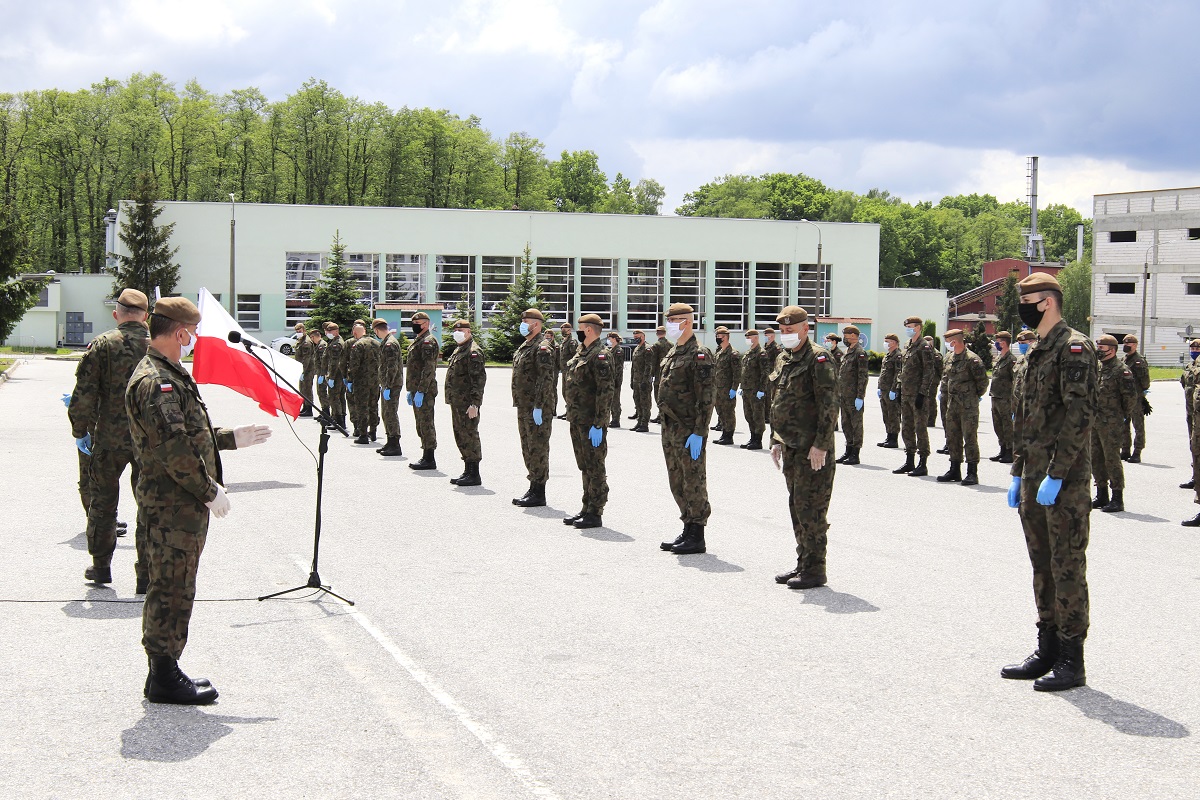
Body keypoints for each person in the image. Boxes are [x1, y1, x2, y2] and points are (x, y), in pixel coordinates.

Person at [126, 295, 271, 704]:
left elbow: (188, 435)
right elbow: (173, 448)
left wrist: (230, 439)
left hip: (177, 502)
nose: (194, 340)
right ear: (180, 332)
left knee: (177, 584)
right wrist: (210, 491)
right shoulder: (158, 381)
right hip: (173, 504)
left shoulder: (167, 373)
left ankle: (167, 668)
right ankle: (163, 675)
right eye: (192, 333)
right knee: (170, 587)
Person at [1003, 272, 1096, 692]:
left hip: (1064, 480)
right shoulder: (1035, 351)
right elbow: (1026, 421)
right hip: (1033, 477)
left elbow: (1080, 416)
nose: (1022, 306)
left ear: (1048, 302)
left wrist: (1057, 474)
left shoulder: (1073, 347)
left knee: (1067, 566)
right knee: (1041, 564)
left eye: (1029, 300)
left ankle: (1072, 660)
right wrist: (1018, 472)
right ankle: (1048, 648)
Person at [68, 288, 150, 588]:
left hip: (108, 439)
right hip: (150, 441)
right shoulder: (158, 345)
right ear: (146, 316)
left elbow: (83, 395)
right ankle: (146, 574)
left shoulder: (103, 344)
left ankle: (101, 567)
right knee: (149, 506)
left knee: (103, 504)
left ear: (117, 315)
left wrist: (80, 431)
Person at [770, 306, 837, 590]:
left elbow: (829, 405)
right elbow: (778, 400)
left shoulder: (818, 358)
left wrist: (821, 444)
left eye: (791, 330)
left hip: (811, 449)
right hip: (791, 447)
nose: (786, 335)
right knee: (797, 506)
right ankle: (803, 562)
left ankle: (815, 569)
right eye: (782, 331)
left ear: (805, 329)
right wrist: (775, 439)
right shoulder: (784, 357)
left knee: (812, 509)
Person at [656, 303, 715, 555]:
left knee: (693, 480)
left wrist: (700, 431)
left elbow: (706, 397)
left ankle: (697, 534)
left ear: (687, 322)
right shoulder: (673, 352)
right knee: (676, 479)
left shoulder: (699, 354)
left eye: (674, 320)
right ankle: (687, 526)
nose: (669, 324)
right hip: (670, 427)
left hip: (689, 429)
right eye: (668, 320)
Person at [562, 314, 615, 528]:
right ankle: (586, 507)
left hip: (591, 421)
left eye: (581, 328)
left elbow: (605, 391)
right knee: (584, 466)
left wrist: (599, 423)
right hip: (577, 418)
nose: (578, 331)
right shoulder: (581, 353)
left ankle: (596, 511)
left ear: (590, 330)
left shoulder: (600, 355)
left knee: (595, 466)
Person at [511, 309, 557, 507]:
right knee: (528, 447)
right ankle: (532, 486)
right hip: (524, 405)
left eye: (526, 321)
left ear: (536, 325)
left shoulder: (543, 347)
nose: (523, 324)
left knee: (537, 447)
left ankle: (539, 492)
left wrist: (539, 405)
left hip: (537, 407)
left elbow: (545, 379)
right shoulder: (526, 345)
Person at [1091, 335, 1138, 513]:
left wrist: (1121, 416)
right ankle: (1101, 493)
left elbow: (1130, 398)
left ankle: (1117, 497)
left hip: (1112, 422)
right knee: (1096, 457)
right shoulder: (1098, 368)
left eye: (1102, 348)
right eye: (1098, 347)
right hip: (1095, 420)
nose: (1099, 351)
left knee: (1112, 458)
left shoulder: (1121, 370)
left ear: (1112, 349)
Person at [935, 329, 989, 486]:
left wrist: (972, 396)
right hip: (952, 405)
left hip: (968, 406)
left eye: (949, 341)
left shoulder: (972, 360)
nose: (947, 344)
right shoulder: (949, 358)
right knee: (953, 436)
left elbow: (983, 383)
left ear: (955, 341)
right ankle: (954, 468)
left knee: (969, 438)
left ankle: (972, 472)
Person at [444, 319, 486, 486]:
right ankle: (467, 469)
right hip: (457, 401)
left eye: (461, 331)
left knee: (470, 435)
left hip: (467, 403)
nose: (457, 333)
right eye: (456, 330)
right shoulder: (460, 349)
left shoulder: (473, 351)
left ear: (468, 332)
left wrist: (475, 403)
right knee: (460, 435)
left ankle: (474, 473)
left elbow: (478, 380)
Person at [894, 316, 937, 476]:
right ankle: (909, 460)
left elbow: (929, 371)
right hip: (906, 393)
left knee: (920, 428)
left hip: (918, 395)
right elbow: (902, 370)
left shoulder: (924, 347)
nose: (908, 329)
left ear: (918, 327)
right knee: (906, 427)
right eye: (907, 326)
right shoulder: (907, 345)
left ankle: (922, 462)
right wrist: (898, 387)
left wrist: (922, 393)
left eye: (911, 326)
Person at [406, 312, 440, 470]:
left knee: (426, 423)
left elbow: (428, 368)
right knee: (420, 423)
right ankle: (425, 455)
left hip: (424, 390)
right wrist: (410, 390)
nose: (414, 325)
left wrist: (421, 390)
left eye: (417, 322)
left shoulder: (428, 341)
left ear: (425, 324)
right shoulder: (419, 340)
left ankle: (429, 458)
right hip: (416, 389)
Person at [835, 324, 869, 464]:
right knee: (846, 423)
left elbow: (863, 376)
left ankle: (855, 453)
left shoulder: (859, 353)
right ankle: (848, 450)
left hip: (854, 396)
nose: (845, 339)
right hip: (844, 395)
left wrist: (860, 396)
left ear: (854, 336)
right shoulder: (848, 351)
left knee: (856, 425)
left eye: (846, 336)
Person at [346, 321, 381, 444]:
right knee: (373, 406)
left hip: (362, 382)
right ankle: (373, 431)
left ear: (355, 333)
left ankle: (363, 434)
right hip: (375, 381)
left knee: (362, 407)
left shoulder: (358, 345)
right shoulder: (377, 343)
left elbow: (354, 365)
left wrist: (350, 380)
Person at [1119, 334, 1151, 463]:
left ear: (1135, 345)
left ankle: (1137, 451)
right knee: (1124, 425)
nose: (1126, 345)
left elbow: (1145, 381)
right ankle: (1125, 449)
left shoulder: (1139, 361)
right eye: (1125, 343)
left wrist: (1141, 394)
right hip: (1124, 398)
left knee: (1138, 425)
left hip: (1136, 398)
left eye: (1129, 343)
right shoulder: (1123, 359)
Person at [375, 319, 404, 457]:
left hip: (391, 385)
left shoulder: (389, 343)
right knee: (386, 413)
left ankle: (395, 444)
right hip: (388, 384)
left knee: (390, 413)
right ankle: (390, 441)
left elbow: (392, 367)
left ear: (376, 330)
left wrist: (387, 385)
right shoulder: (387, 341)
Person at [739, 329, 769, 450]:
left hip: (756, 390)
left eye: (749, 337)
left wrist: (762, 389)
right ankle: (752, 437)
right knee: (748, 415)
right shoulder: (748, 353)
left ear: (756, 338)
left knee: (758, 415)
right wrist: (742, 387)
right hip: (747, 390)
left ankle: (758, 440)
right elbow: (744, 372)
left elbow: (765, 372)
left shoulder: (761, 353)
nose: (747, 340)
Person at [988, 332, 1015, 463]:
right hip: (995, 396)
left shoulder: (1011, 360)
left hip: (1005, 398)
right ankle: (1002, 449)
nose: (996, 344)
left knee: (1007, 425)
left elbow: (1015, 380)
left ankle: (1010, 451)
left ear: (1003, 343)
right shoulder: (999, 359)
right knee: (997, 425)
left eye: (998, 341)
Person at [711, 326, 741, 444]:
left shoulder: (733, 353)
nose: (718, 339)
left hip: (727, 388)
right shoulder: (719, 352)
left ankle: (729, 436)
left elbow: (737, 373)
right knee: (720, 411)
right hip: (717, 388)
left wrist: (734, 388)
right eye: (717, 337)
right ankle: (724, 433)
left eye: (720, 337)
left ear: (726, 337)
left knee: (728, 412)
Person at [1180, 340, 1200, 492]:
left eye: (1197, 348)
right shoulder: (1189, 367)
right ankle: (1195, 476)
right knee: (1193, 446)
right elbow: (1184, 384)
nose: (1194, 350)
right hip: (1191, 412)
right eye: (1192, 348)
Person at [876, 333, 901, 448]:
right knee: (886, 414)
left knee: (893, 415)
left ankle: (894, 439)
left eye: (888, 341)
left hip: (891, 390)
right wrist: (879, 387)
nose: (885, 343)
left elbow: (898, 374)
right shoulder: (887, 356)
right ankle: (888, 436)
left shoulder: (898, 356)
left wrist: (894, 389)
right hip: (884, 390)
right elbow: (882, 373)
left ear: (894, 343)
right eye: (885, 340)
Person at [323, 322, 347, 430]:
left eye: (330, 331)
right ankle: (340, 421)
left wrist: (331, 377)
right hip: (339, 374)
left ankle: (339, 422)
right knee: (340, 397)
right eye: (327, 331)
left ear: (336, 331)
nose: (328, 333)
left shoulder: (336, 344)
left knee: (334, 397)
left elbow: (334, 362)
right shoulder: (335, 341)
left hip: (336, 375)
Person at [629, 329, 654, 432]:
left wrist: (645, 380)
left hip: (644, 381)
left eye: (637, 337)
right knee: (637, 401)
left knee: (645, 403)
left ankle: (644, 424)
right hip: (636, 380)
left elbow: (649, 366)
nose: (635, 339)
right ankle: (639, 421)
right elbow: (633, 366)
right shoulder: (636, 349)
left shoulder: (647, 349)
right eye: (634, 337)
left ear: (643, 337)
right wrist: (631, 380)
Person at [293, 322, 316, 417]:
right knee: (302, 389)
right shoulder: (300, 340)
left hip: (307, 370)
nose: (298, 332)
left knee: (307, 389)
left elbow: (306, 359)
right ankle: (305, 407)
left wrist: (303, 371)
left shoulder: (306, 342)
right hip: (301, 369)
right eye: (297, 331)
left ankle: (309, 409)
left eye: (300, 331)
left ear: (304, 331)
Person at [650, 325, 671, 424]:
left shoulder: (656, 345)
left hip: (659, 374)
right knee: (666, 396)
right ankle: (662, 415)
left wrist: (651, 374)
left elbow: (653, 361)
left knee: (658, 395)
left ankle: (661, 415)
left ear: (657, 334)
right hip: (668, 373)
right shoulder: (671, 344)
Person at [556, 321, 577, 420]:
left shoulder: (572, 342)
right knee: (564, 392)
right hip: (564, 371)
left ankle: (571, 412)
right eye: (562, 330)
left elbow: (575, 356)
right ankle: (568, 410)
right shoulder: (564, 341)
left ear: (570, 330)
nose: (563, 332)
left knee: (569, 392)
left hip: (569, 371)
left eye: (564, 330)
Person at [606, 331, 625, 428]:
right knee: (611, 399)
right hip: (610, 378)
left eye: (609, 338)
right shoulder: (611, 350)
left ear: (614, 339)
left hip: (615, 378)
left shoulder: (618, 350)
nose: (608, 340)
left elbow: (619, 367)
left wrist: (617, 379)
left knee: (615, 399)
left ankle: (616, 419)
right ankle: (613, 418)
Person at [763, 327, 781, 425]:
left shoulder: (776, 348)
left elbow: (778, 362)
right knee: (765, 396)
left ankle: (771, 416)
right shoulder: (765, 346)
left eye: (767, 335)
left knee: (771, 396)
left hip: (772, 375)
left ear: (772, 336)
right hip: (766, 375)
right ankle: (766, 415)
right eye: (765, 335)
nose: (765, 337)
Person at [928, 335, 944, 429]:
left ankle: (931, 420)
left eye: (929, 342)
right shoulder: (922, 352)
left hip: (933, 380)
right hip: (922, 380)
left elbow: (941, 369)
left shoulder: (936, 355)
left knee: (930, 399)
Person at [313, 328, 329, 416]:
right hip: (320, 372)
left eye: (313, 338)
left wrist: (322, 374)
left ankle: (326, 411)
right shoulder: (319, 345)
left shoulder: (322, 345)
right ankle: (324, 411)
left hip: (322, 372)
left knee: (322, 391)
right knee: (320, 392)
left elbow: (323, 361)